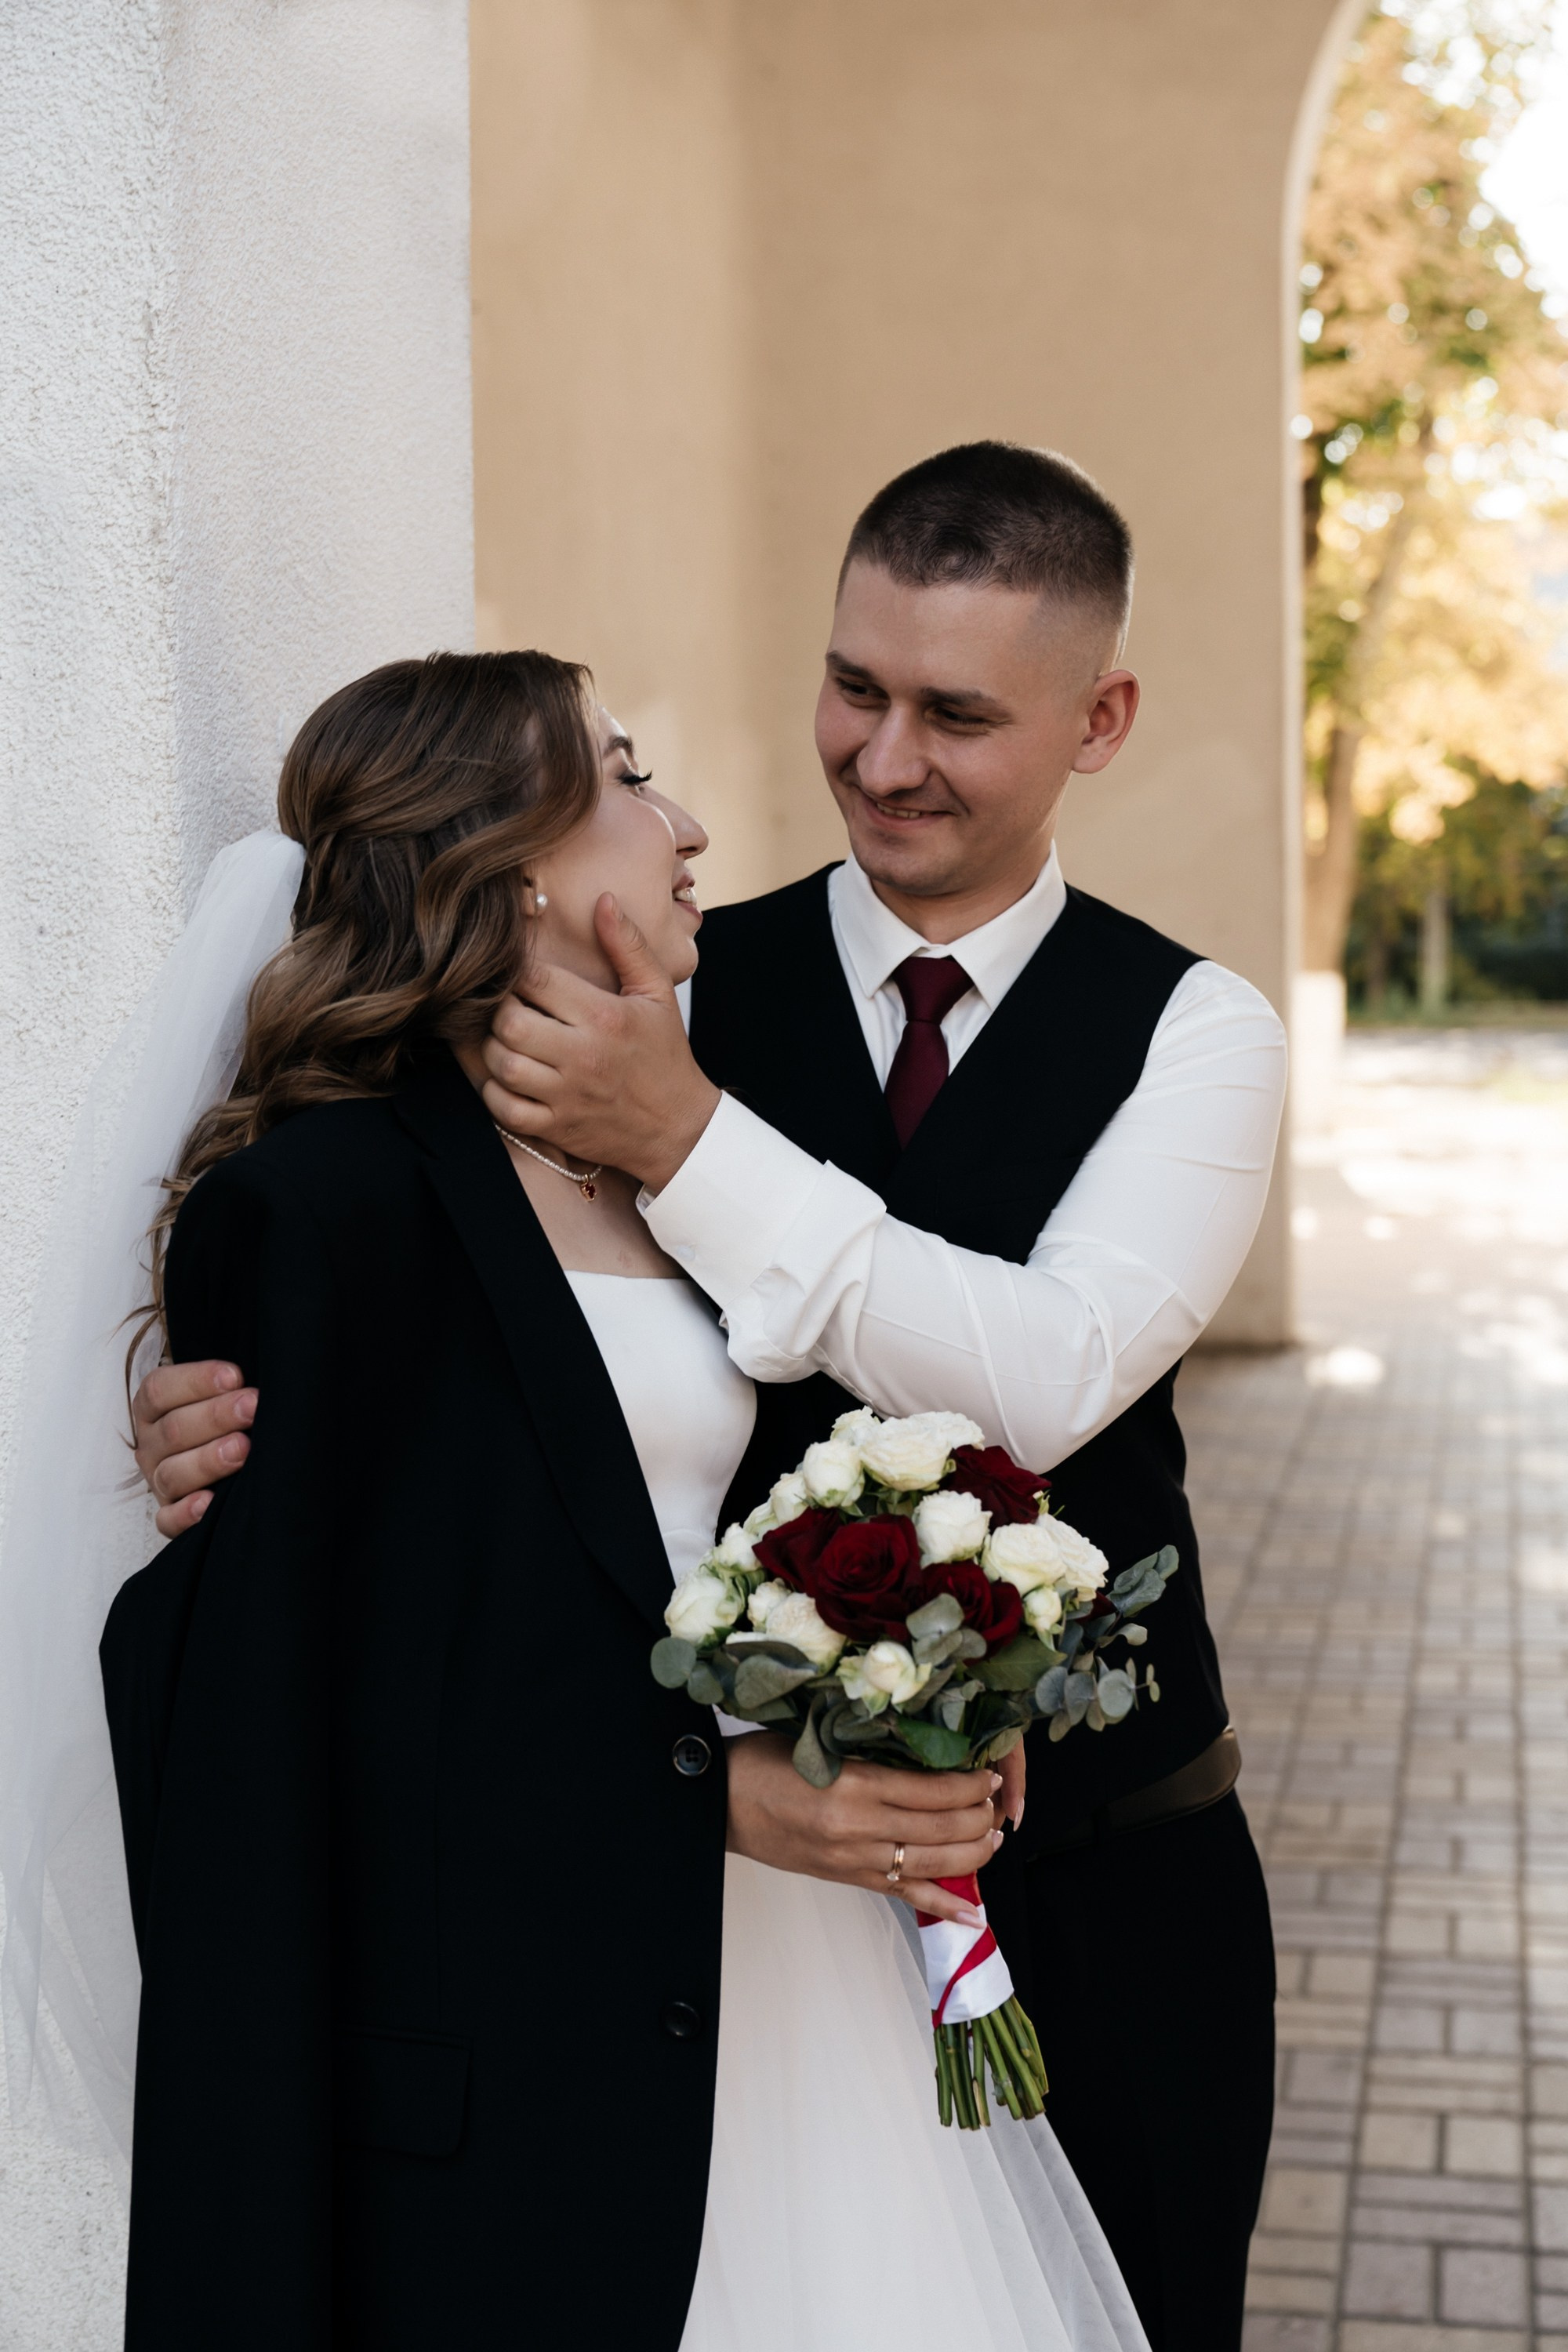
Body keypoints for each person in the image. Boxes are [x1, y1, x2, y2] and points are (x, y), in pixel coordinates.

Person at [133, 443, 1288, 2350]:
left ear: (1102, 722)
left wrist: (688, 1142)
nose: (884, 756)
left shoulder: (1194, 1031)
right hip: (721, 1892)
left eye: (959, 714)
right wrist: (217, 1436)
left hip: (1105, 1876)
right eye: (855, 688)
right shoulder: (652, 972)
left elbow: (1049, 1378)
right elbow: (433, 1341)